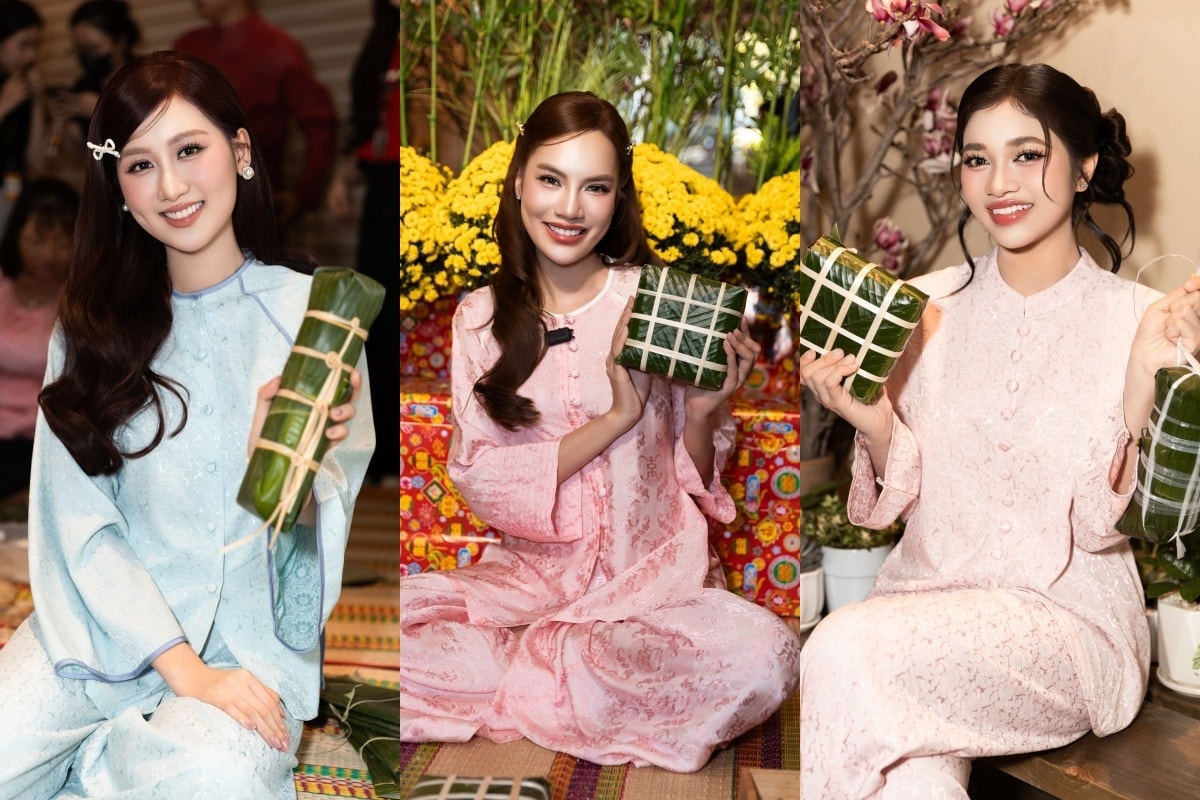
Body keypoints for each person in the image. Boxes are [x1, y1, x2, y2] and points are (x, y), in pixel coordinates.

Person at [797, 63, 1200, 797]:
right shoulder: (920, 307)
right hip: (919, 607)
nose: (999, 183)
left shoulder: (1141, 321)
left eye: (1028, 154)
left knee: (838, 648)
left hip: (1068, 628)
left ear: (1085, 167)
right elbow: (894, 505)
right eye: (977, 159)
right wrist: (877, 425)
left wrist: (1141, 380)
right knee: (909, 783)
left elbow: (1103, 525)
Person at [0, 51, 374, 799]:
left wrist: (283, 476)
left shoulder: (314, 317)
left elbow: (306, 572)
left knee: (213, 779)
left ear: (240, 152)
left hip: (245, 648)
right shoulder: (89, 327)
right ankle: (113, 749)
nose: (171, 186)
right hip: (99, 632)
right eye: (140, 164)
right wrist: (181, 671)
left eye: (190, 150)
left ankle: (104, 762)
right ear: (118, 189)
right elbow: (78, 524)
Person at [399, 91, 801, 772]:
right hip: (530, 585)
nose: (569, 207)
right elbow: (481, 477)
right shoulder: (479, 318)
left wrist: (704, 412)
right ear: (519, 182)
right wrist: (619, 415)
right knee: (402, 633)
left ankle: (546, 673)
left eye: (595, 187)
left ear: (618, 200)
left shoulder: (657, 301)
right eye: (551, 179)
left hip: (649, 592)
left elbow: (696, 479)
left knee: (767, 654)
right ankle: (554, 671)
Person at [173, 0, 338, 236]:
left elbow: (319, 123)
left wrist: (305, 194)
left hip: (253, 205)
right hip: (185, 196)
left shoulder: (277, 48)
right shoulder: (188, 46)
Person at [327, 0, 399, 483]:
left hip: (423, 183)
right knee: (374, 317)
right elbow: (370, 123)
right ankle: (377, 451)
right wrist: (343, 173)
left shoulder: (449, 33)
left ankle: (403, 450)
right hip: (381, 189)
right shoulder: (382, 39)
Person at [0, 177, 77, 500]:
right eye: (37, 240)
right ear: (16, 234)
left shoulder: (81, 302)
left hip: (46, 443)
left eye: (60, 242)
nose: (48, 253)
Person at [44, 0, 141, 164]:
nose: (87, 57)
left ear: (120, 41)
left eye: (94, 48)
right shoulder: (83, 86)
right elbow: (78, 154)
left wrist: (100, 109)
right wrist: (61, 120)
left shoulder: (146, 77)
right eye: (80, 50)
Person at [0, 0, 46, 234]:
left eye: (36, 46)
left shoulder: (19, 86)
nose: (31, 55)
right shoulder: (10, 93)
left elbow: (37, 164)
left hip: (16, 197)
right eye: (23, 45)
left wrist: (38, 103)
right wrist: (3, 106)